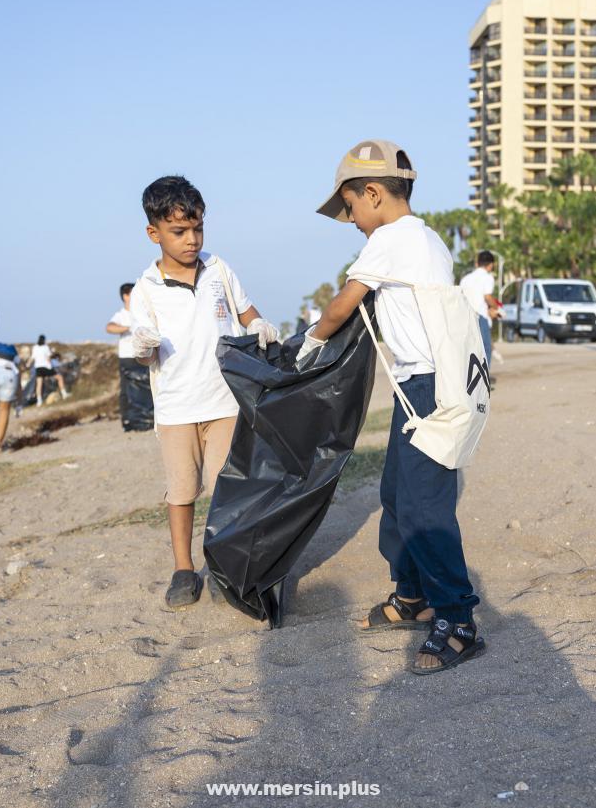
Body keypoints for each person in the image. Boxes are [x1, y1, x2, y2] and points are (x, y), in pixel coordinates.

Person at [302, 139, 483, 675]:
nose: (353, 221)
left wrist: (309, 343)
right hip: (421, 389)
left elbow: (342, 305)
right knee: (397, 498)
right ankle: (411, 596)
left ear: (373, 194)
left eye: (352, 209)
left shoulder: (391, 240)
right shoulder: (428, 239)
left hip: (429, 390)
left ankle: (457, 618)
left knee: (425, 511)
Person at [129, 175, 279, 608]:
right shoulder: (145, 288)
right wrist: (142, 347)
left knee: (229, 490)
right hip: (176, 409)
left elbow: (248, 312)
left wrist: (257, 325)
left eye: (197, 228)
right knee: (181, 492)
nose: (191, 239)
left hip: (225, 401)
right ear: (154, 233)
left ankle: (223, 566)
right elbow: (143, 349)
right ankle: (182, 567)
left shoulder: (218, 269)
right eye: (179, 231)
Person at [107, 282, 154, 431]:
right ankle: (128, 420)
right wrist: (128, 328)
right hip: (127, 357)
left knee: (147, 386)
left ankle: (147, 418)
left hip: (143, 355)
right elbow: (110, 327)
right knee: (127, 390)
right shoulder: (121, 315)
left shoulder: (141, 313)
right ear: (125, 296)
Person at [459, 250, 503, 364]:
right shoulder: (488, 278)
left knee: (469, 350)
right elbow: (487, 297)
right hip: (480, 317)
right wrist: (498, 308)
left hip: (465, 317)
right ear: (491, 265)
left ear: (477, 263)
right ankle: (483, 379)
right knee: (485, 349)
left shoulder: (465, 279)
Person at [28, 335, 68, 405]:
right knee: (59, 378)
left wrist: (27, 364)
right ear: (44, 340)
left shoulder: (35, 347)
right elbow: (48, 358)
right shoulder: (45, 347)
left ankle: (39, 401)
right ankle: (64, 394)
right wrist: (51, 366)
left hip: (38, 368)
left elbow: (32, 357)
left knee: (39, 385)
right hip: (46, 367)